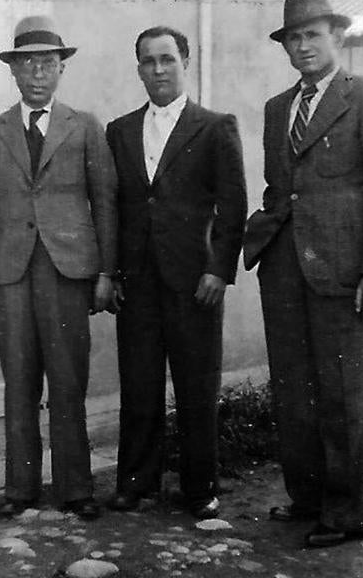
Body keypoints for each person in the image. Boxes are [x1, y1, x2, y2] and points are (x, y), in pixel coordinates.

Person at [242, 0, 363, 547]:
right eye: (294, 37)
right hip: (286, 269)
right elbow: (279, 189)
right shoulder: (275, 109)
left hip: (342, 271)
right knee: (294, 390)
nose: (303, 45)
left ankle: (350, 511)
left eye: (313, 34)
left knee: (345, 393)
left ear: (338, 37)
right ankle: (307, 496)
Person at [0, 16, 117, 521]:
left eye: (47, 63)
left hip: (68, 272)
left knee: (69, 381)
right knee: (19, 383)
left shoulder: (85, 126)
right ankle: (21, 488)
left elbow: (106, 203)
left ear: (61, 69)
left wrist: (106, 272)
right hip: (10, 277)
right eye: (27, 63)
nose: (37, 73)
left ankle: (76, 489)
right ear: (13, 71)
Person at [105, 26, 247, 519]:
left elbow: (233, 207)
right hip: (139, 279)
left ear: (185, 62)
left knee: (195, 386)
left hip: (194, 282)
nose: (158, 70)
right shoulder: (119, 131)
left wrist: (219, 271)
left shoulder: (214, 126)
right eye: (148, 61)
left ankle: (199, 486)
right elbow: (118, 206)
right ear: (139, 68)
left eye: (167, 59)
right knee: (139, 384)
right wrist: (116, 272)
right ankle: (135, 482)